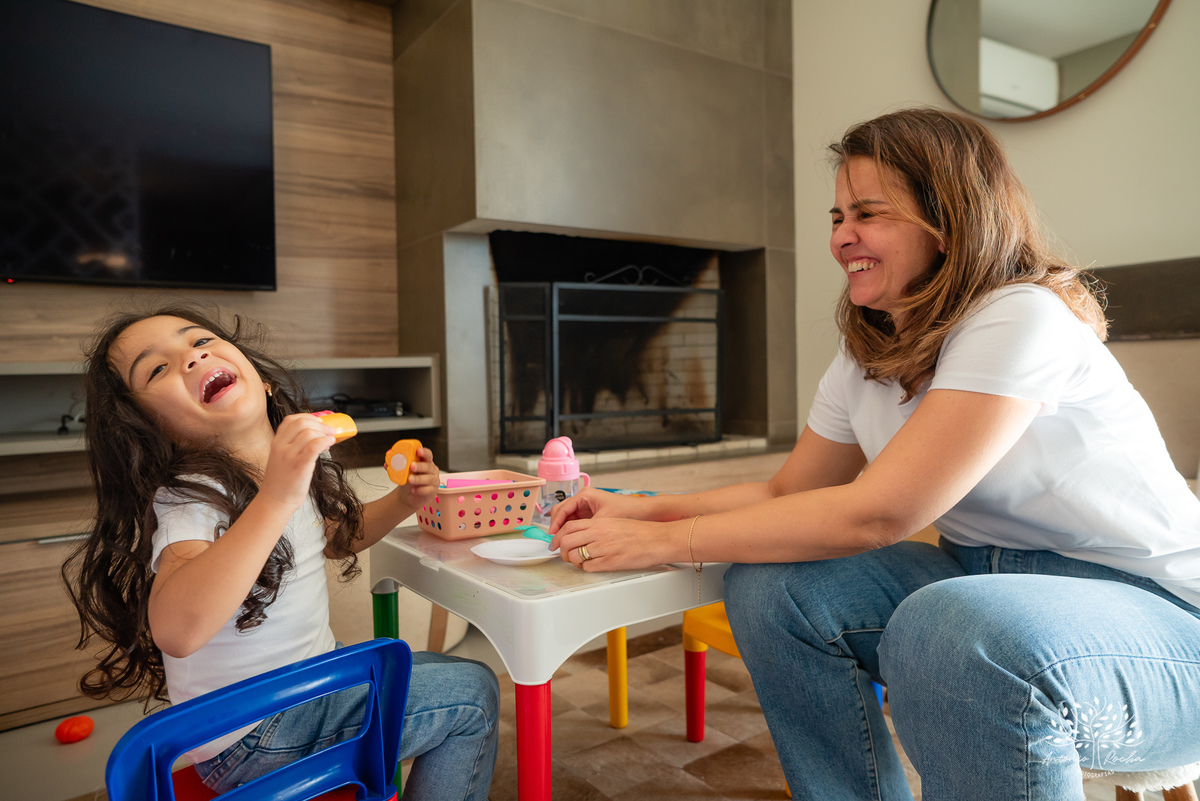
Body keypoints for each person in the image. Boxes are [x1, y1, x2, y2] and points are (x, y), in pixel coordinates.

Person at [548, 107, 1200, 800]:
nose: (841, 236)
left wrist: (669, 544)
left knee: (951, 628)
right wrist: (647, 511)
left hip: (1159, 625)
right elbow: (785, 493)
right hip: (978, 582)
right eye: (837, 216)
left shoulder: (1020, 314)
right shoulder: (868, 351)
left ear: (948, 222)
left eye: (868, 213)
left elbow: (878, 515)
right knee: (771, 586)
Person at [63, 303, 499, 799]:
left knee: (457, 672)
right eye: (157, 368)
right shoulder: (191, 496)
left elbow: (334, 538)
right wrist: (275, 495)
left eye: (201, 341)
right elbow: (176, 631)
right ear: (150, 430)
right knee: (473, 698)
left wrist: (404, 501)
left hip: (307, 681)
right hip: (253, 731)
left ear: (263, 381)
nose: (191, 357)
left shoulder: (298, 458)